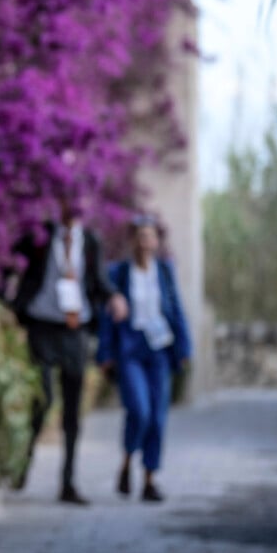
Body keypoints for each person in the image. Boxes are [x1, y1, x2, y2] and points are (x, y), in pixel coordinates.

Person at [5, 198, 126, 505]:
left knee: (73, 409)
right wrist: (5, 298)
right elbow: (7, 261)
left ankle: (68, 483)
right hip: (42, 326)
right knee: (43, 399)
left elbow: (99, 281)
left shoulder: (91, 241)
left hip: (76, 330)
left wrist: (114, 298)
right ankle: (23, 463)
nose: (76, 207)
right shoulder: (41, 235)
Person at [97, 215, 192, 502]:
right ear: (133, 241)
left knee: (158, 418)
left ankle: (149, 479)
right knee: (139, 411)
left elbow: (176, 310)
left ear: (156, 241)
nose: (146, 242)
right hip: (131, 349)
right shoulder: (119, 273)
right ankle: (127, 461)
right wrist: (105, 353)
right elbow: (107, 317)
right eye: (141, 236)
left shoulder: (164, 271)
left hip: (159, 350)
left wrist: (184, 349)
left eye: (150, 237)